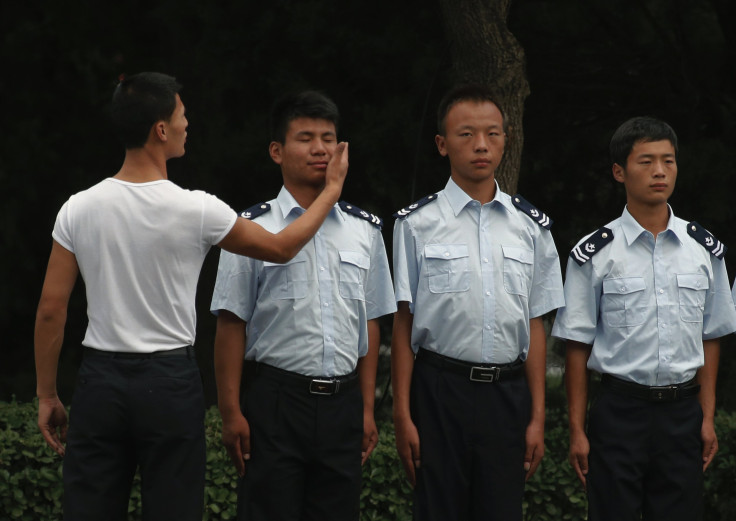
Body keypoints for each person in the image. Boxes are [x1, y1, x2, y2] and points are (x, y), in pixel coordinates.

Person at [34, 72, 349, 521]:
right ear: (161, 129)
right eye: (182, 116)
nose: (188, 124)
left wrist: (47, 394)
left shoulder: (78, 207)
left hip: (100, 379)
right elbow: (281, 248)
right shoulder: (196, 207)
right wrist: (332, 192)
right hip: (168, 382)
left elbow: (51, 310)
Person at [210, 90, 395, 521]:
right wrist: (230, 411)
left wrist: (367, 409)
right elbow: (231, 324)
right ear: (277, 151)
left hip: (343, 402)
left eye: (329, 138)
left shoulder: (364, 230)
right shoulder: (251, 228)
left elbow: (369, 323)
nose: (320, 149)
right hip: (276, 402)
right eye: (305, 138)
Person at [390, 83, 565, 521]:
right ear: (442, 144)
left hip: (507, 395)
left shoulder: (531, 227)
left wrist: (537, 416)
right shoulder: (415, 225)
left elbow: (536, 323)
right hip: (439, 390)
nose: (481, 145)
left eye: (492, 133)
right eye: (466, 134)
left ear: (506, 140)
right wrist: (403, 413)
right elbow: (403, 321)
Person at [552, 116, 736, 521]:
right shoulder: (595, 253)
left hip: (682, 413)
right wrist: (577, 429)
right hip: (619, 412)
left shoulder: (703, 250)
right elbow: (577, 345)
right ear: (619, 171)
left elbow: (712, 336)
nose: (659, 172)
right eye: (646, 161)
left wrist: (707, 417)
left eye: (668, 161)